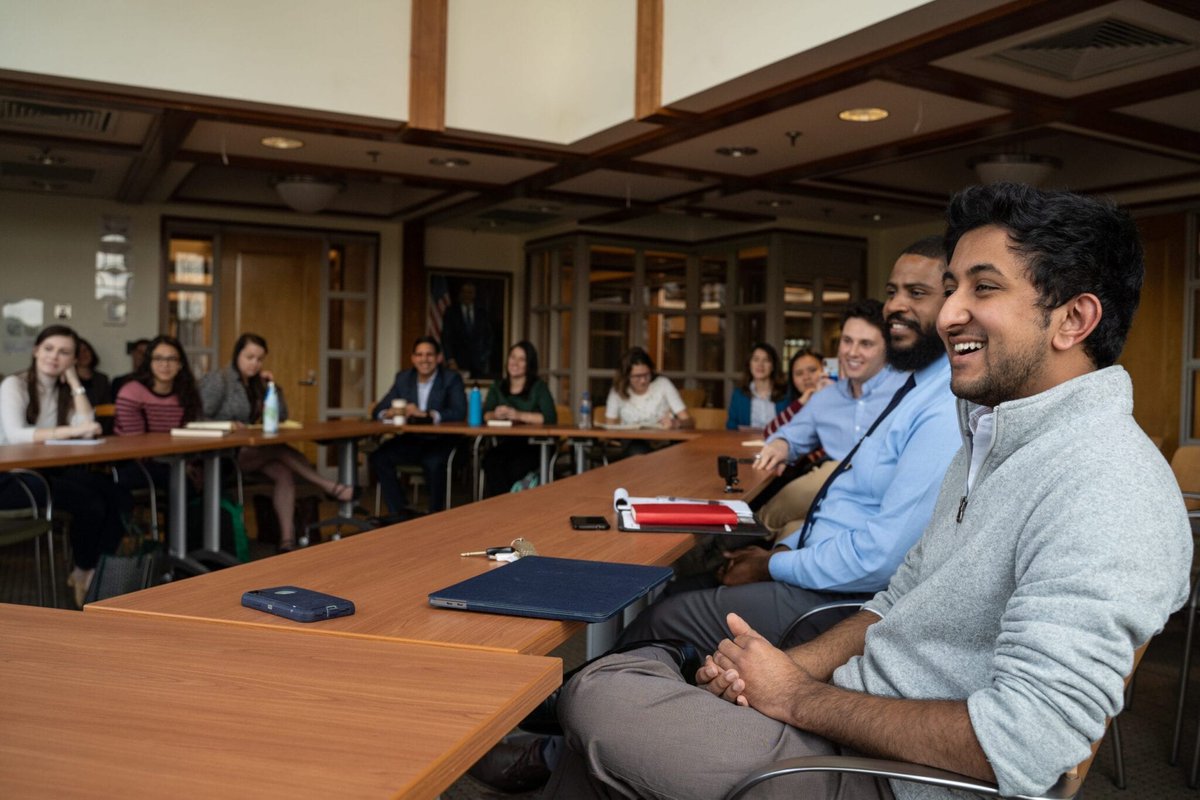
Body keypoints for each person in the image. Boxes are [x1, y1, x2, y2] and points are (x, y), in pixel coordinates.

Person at [539, 183, 1192, 800]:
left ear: (1073, 318)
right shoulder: (994, 440)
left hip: (889, 778)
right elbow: (897, 598)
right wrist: (789, 671)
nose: (949, 315)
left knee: (599, 691)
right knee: (613, 720)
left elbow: (1021, 744)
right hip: (846, 719)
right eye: (952, 287)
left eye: (982, 289)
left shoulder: (1109, 487)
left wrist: (796, 697)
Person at [612, 241, 960, 656]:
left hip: (839, 604)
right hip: (816, 563)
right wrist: (782, 550)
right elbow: (838, 495)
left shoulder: (942, 405)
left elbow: (881, 558)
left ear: (954, 303)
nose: (895, 306)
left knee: (662, 616)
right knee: (682, 586)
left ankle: (572, 704)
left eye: (916, 293)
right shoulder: (912, 386)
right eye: (891, 292)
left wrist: (771, 563)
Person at [0, 325, 131, 606]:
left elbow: (88, 429)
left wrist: (73, 381)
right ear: (36, 351)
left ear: (74, 359)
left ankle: (91, 572)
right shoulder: (15, 384)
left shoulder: (63, 392)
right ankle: (84, 569)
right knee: (90, 502)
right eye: (48, 349)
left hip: (45, 471)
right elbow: (15, 435)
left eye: (64, 353)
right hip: (10, 476)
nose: (54, 357)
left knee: (119, 495)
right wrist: (66, 432)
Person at [755, 300, 901, 538]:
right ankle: (729, 562)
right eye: (847, 341)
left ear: (887, 348)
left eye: (865, 344)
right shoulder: (826, 397)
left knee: (773, 513)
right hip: (830, 502)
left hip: (876, 498)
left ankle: (723, 548)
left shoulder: (905, 391)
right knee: (790, 533)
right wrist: (782, 444)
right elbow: (790, 434)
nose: (852, 352)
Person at [200, 333, 357, 552]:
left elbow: (281, 416)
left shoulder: (257, 383)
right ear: (237, 355)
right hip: (220, 455)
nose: (254, 363)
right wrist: (229, 425)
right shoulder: (220, 379)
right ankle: (329, 486)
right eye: (249, 357)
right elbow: (197, 416)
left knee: (283, 471)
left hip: (251, 451)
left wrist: (273, 387)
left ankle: (287, 540)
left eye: (259, 359)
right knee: (278, 449)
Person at [369, 336, 467, 513]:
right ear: (413, 358)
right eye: (419, 355)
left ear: (438, 358)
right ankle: (400, 511)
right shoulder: (403, 378)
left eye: (429, 355)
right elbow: (378, 410)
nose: (424, 359)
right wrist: (389, 412)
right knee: (379, 457)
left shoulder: (451, 379)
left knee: (433, 463)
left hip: (441, 441)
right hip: (411, 440)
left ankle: (435, 515)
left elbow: (459, 412)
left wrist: (427, 414)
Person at [113, 335, 203, 494]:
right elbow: (136, 445)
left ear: (180, 364)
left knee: (210, 476)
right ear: (149, 363)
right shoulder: (131, 392)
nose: (165, 364)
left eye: (172, 359)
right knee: (183, 484)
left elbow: (187, 435)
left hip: (175, 461)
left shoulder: (187, 393)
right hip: (135, 463)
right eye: (158, 358)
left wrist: (187, 464)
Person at [481, 341, 557, 497]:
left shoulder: (539, 387)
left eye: (521, 359)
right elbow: (485, 414)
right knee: (490, 461)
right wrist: (496, 414)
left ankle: (513, 508)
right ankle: (499, 507)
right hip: (508, 442)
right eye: (512, 357)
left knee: (515, 466)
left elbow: (549, 417)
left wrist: (518, 415)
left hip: (535, 444)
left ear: (529, 364)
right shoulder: (498, 386)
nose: (515, 363)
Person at [604, 347, 693, 456]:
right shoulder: (617, 391)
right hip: (633, 445)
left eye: (646, 375)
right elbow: (609, 429)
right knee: (637, 452)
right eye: (637, 376)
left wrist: (677, 423)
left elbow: (689, 422)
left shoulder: (663, 384)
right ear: (626, 376)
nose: (643, 380)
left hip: (662, 442)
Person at [762, 349, 831, 437]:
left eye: (812, 370)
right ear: (792, 380)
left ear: (825, 371)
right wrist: (801, 402)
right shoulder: (790, 405)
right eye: (799, 373)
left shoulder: (838, 402)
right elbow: (769, 433)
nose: (806, 377)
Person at [725, 343, 788, 431]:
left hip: (778, 443)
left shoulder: (786, 394)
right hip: (745, 443)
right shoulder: (738, 394)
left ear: (773, 366)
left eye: (766, 360)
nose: (760, 364)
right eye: (755, 359)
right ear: (749, 364)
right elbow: (731, 427)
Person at [441, 281, 495, 378]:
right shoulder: (451, 312)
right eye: (465, 292)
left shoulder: (482, 313)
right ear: (460, 293)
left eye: (470, 292)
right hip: (457, 363)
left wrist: (483, 357)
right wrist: (450, 359)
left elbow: (489, 338)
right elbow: (446, 337)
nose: (467, 295)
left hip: (478, 364)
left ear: (474, 295)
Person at [74, 337, 111, 406]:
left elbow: (107, 404)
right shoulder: (66, 378)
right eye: (78, 352)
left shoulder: (102, 379)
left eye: (85, 350)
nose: (83, 354)